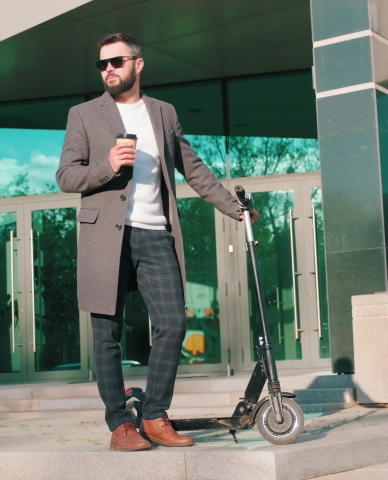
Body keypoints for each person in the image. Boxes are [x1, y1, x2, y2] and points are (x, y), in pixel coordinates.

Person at [56, 33, 257, 452]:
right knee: (106, 335)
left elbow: (193, 167)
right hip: (103, 238)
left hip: (154, 234)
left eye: (115, 62)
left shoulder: (163, 113)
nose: (108, 69)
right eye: (102, 65)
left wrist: (233, 208)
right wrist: (106, 166)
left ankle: (153, 414)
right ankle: (119, 425)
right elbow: (66, 176)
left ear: (138, 64)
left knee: (173, 322)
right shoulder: (84, 114)